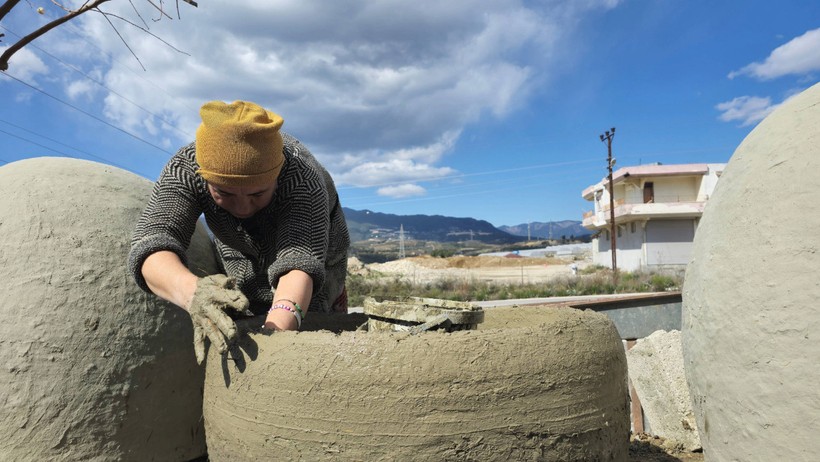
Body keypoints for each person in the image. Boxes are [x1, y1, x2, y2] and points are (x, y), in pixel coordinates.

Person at [128, 100, 350, 364]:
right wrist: (192, 293)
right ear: (205, 178)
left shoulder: (301, 177)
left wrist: (275, 336)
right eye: (223, 193)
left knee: (307, 341)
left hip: (319, 262)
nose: (242, 207)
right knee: (241, 318)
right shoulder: (186, 168)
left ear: (276, 178)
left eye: (257, 193)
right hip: (239, 251)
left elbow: (299, 265)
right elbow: (152, 242)